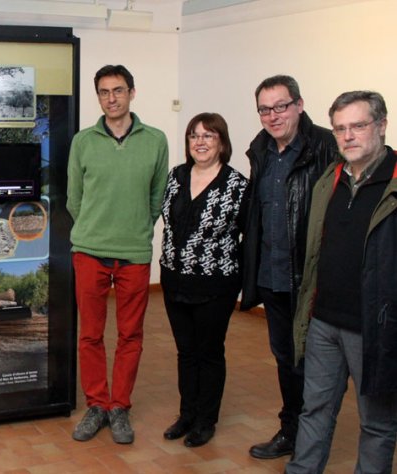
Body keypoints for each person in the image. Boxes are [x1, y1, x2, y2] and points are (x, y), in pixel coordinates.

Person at [286, 91, 397, 473]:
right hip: (324, 322)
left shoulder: (394, 183)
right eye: (340, 129)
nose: (348, 136)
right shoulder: (328, 181)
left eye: (358, 126)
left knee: (378, 425)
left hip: (376, 330)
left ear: (381, 126)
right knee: (314, 408)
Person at [67, 64, 169, 444]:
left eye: (118, 90)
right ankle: (97, 405)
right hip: (90, 251)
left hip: (135, 252)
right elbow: (74, 199)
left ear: (132, 93)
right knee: (90, 335)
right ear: (98, 97)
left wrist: (137, 228)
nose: (112, 98)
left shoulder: (155, 140)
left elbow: (157, 196)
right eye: (104, 92)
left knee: (131, 335)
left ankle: (119, 406)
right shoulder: (83, 141)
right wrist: (95, 228)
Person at [240, 75, 337, 459]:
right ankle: (292, 432)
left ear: (299, 104)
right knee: (286, 360)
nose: (273, 115)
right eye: (265, 108)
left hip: (314, 280)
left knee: (317, 365)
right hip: (273, 277)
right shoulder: (260, 150)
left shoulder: (327, 146)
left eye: (281, 106)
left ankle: (313, 443)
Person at [159, 113, 249, 448]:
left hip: (215, 286)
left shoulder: (237, 185)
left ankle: (205, 420)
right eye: (194, 135)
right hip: (173, 280)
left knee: (209, 352)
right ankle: (187, 414)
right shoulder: (177, 177)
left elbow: (247, 236)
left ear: (222, 142)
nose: (200, 142)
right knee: (185, 352)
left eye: (208, 136)